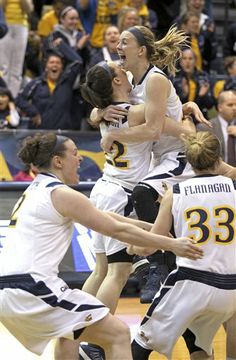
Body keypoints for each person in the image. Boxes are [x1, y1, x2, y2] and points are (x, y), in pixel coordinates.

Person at [0, 132, 203, 360]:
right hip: (31, 287)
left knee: (71, 333)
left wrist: (149, 226)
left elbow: (105, 216)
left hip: (9, 289)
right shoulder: (60, 193)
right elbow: (117, 230)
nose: (80, 159)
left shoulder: (37, 190)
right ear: (58, 161)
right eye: (74, 153)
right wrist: (172, 244)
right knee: (118, 333)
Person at [88, 23, 213, 358]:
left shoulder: (153, 80)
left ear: (141, 50)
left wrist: (110, 131)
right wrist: (102, 113)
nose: (117, 46)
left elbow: (155, 127)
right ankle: (159, 264)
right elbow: (148, 119)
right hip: (143, 169)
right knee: (114, 269)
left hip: (176, 157)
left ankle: (155, 265)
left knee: (143, 196)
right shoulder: (135, 89)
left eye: (124, 42)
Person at [131, 131, 236, 360]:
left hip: (192, 281)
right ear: (219, 158)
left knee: (139, 345)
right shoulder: (234, 187)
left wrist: (135, 248)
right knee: (200, 346)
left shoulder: (175, 192)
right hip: (231, 287)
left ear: (190, 162)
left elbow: (154, 244)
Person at [15, 40, 82, 129]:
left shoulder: (67, 81)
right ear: (46, 67)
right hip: (38, 133)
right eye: (51, 62)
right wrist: (33, 112)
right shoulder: (37, 83)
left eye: (58, 63)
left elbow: (77, 61)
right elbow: (19, 99)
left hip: (62, 134)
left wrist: (62, 45)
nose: (55, 65)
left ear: (62, 68)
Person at [172, 47, 215, 121]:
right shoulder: (174, 78)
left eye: (190, 58)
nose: (187, 61)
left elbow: (210, 105)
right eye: (184, 58)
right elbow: (172, 105)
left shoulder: (204, 77)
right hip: (179, 118)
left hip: (200, 118)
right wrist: (184, 95)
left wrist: (202, 96)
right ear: (180, 61)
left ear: (195, 61)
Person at [197, 90, 236, 167]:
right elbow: (200, 158)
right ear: (220, 107)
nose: (234, 108)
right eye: (230, 105)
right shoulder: (205, 128)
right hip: (215, 175)